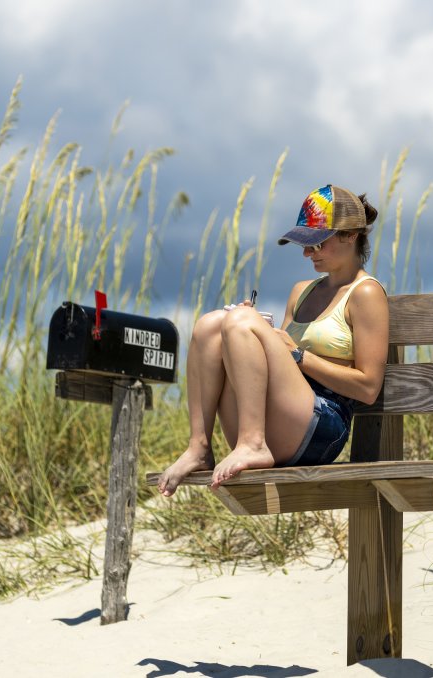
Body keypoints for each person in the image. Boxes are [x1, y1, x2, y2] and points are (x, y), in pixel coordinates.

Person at [157, 184, 390, 495]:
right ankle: (199, 447)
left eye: (316, 244)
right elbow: (279, 370)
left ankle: (253, 443)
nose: (307, 253)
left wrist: (298, 354)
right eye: (304, 246)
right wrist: (251, 333)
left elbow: (368, 388)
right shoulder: (301, 291)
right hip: (285, 419)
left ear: (349, 236)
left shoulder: (366, 293)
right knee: (211, 325)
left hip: (323, 425)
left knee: (240, 322)